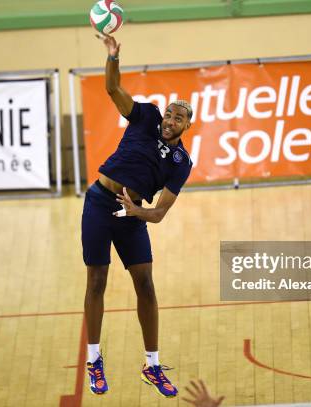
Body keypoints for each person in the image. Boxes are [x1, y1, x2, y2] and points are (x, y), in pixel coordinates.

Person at [83, 32, 193, 398]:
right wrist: (113, 56)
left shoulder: (181, 163)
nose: (170, 120)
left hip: (131, 216)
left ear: (186, 127)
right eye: (170, 114)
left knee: (145, 285)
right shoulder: (144, 116)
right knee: (97, 281)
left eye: (179, 118)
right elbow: (113, 90)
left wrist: (137, 211)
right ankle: (94, 360)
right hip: (100, 201)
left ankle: (152, 364)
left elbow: (160, 213)